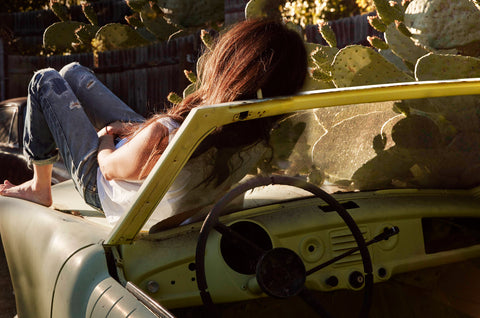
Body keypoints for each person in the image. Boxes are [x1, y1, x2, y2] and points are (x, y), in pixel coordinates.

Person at [0, 19, 308, 228]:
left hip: (106, 185)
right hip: (153, 166)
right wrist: (138, 134)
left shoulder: (167, 133)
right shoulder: (253, 135)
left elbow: (108, 167)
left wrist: (108, 137)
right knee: (72, 73)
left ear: (228, 67)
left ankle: (41, 186)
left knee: (45, 80)